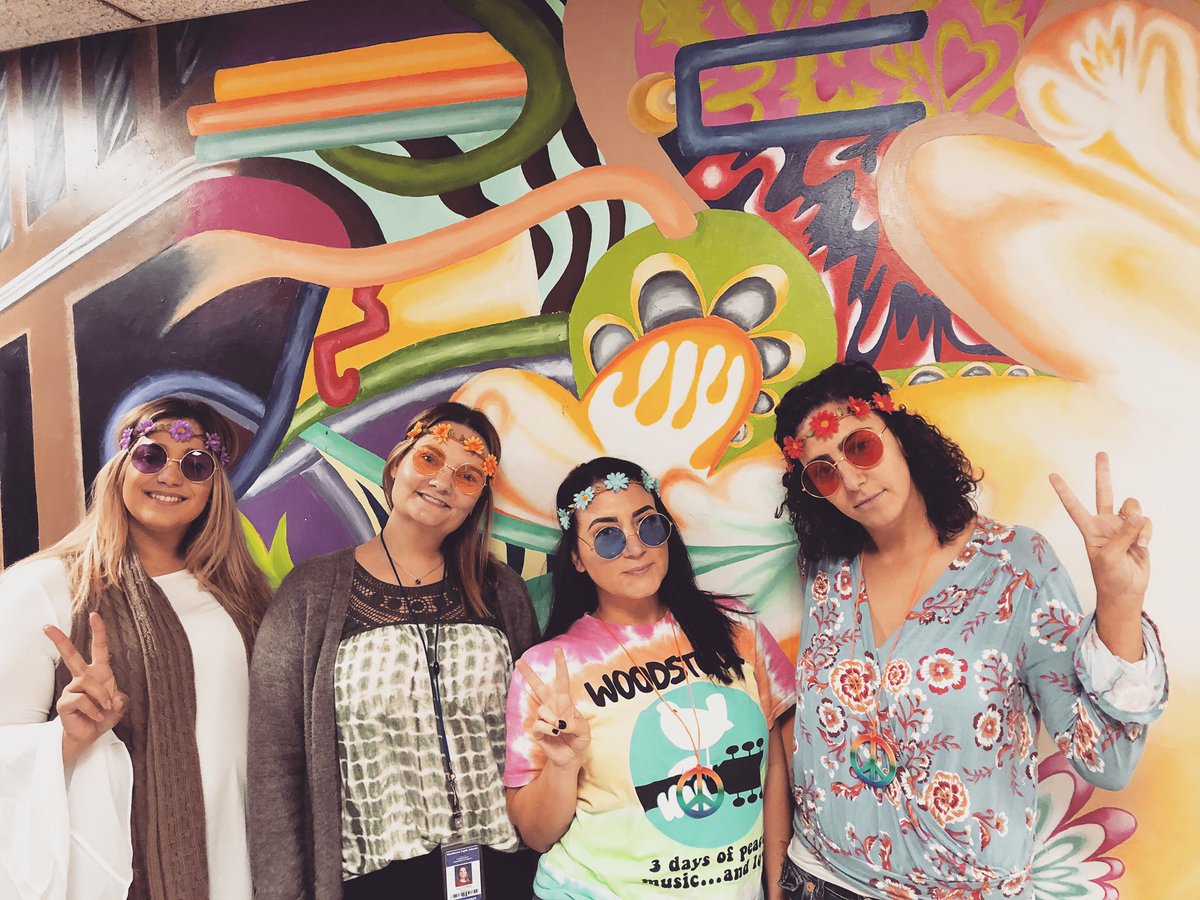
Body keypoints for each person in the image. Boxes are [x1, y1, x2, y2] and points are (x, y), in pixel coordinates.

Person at [772, 362, 1167, 899]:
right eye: (824, 472)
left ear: (900, 436)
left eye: (861, 447)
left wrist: (1120, 602)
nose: (852, 480)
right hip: (820, 880)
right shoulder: (826, 572)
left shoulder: (1015, 567)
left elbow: (1109, 762)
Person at [248, 401, 539, 899]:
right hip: (376, 880)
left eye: (468, 475)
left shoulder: (500, 590)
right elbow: (275, 763)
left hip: (504, 873)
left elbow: (535, 739)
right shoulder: (311, 593)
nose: (443, 482)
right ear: (397, 462)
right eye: (429, 458)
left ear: (477, 499)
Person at [0, 397, 273, 899]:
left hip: (244, 870)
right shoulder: (44, 588)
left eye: (195, 464)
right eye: (151, 455)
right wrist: (68, 738)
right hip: (120, 876)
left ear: (214, 487)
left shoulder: (241, 597)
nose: (170, 476)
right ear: (121, 465)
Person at [505, 457, 795, 899]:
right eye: (607, 536)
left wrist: (776, 891)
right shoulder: (546, 670)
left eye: (648, 525)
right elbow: (535, 834)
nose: (636, 547)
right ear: (577, 558)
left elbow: (774, 769)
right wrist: (562, 767)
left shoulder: (738, 630)